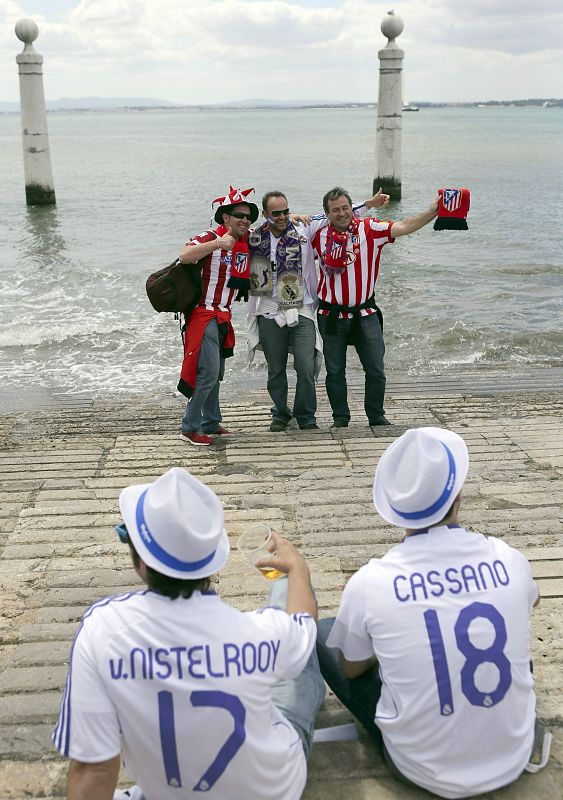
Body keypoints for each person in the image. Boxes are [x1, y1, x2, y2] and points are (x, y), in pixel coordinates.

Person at [53, 467, 326, 800]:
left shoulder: (103, 631)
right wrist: (297, 568)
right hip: (275, 789)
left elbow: (94, 770)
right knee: (299, 661)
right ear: (212, 562)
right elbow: (303, 624)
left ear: (142, 564)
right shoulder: (258, 632)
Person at [316, 426, 545, 798]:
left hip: (421, 769)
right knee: (508, 629)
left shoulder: (372, 580)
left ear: (392, 509)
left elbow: (351, 668)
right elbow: (532, 600)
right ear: (458, 495)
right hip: (513, 755)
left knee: (325, 632)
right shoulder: (507, 557)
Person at [310, 187, 438, 429]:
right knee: (335, 371)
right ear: (326, 213)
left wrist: (433, 211)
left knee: (376, 369)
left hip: (365, 312)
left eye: (345, 208)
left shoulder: (369, 228)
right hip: (330, 314)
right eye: (335, 210)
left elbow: (404, 226)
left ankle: (376, 416)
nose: (341, 213)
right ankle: (341, 419)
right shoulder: (317, 235)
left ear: (352, 208)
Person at [176, 186, 258, 446]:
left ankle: (211, 421)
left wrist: (295, 216)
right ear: (225, 217)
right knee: (208, 373)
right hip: (202, 314)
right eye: (239, 215)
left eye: (248, 216)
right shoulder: (210, 237)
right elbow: (184, 256)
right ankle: (189, 427)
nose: (245, 220)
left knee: (217, 373)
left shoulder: (246, 241)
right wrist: (216, 244)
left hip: (224, 315)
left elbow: (277, 226)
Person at [247, 190, 323, 432]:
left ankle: (306, 414)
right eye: (276, 213)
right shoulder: (253, 238)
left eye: (286, 211)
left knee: (305, 363)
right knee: (276, 368)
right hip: (269, 308)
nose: (282, 217)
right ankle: (280, 412)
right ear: (265, 214)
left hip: (301, 307)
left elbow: (334, 216)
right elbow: (228, 232)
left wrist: (370, 204)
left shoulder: (302, 231)